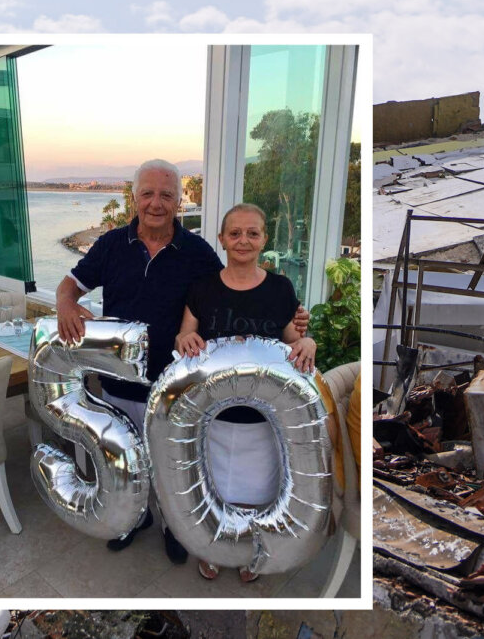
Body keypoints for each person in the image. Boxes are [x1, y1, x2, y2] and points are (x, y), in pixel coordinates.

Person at [55, 159, 307, 563]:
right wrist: (65, 302)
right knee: (127, 463)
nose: (157, 203)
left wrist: (286, 319)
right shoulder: (110, 245)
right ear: (135, 197)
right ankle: (133, 520)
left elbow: (229, 291)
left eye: (167, 195)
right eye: (148, 194)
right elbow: (72, 283)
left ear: (178, 201)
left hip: (176, 388)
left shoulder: (197, 251)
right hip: (119, 381)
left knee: (173, 467)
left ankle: (175, 526)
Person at [174, 202, 316, 583]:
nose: (243, 240)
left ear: (264, 239)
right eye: (235, 233)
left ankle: (253, 553)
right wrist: (186, 337)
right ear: (221, 239)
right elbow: (185, 334)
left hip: (264, 421)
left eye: (253, 233)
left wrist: (309, 343)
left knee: (260, 491)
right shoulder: (202, 288)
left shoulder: (281, 287)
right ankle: (215, 550)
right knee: (215, 489)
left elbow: (293, 340)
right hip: (214, 417)